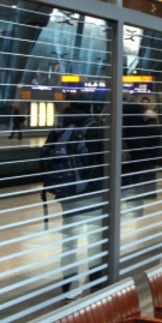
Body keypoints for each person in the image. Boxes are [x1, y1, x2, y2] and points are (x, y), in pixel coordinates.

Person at [53, 101, 106, 298]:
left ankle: (69, 289)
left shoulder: (62, 128)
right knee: (95, 239)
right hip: (94, 192)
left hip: (68, 194)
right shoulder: (98, 129)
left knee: (69, 242)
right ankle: (96, 285)